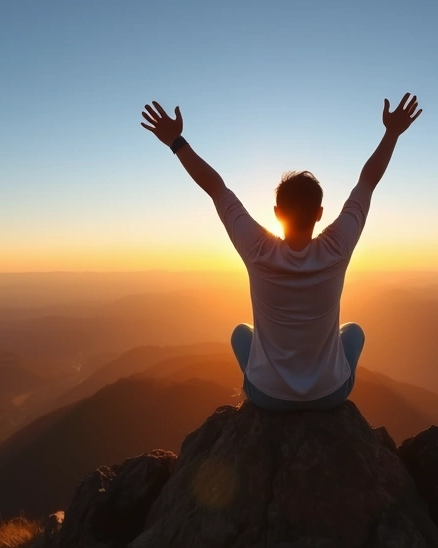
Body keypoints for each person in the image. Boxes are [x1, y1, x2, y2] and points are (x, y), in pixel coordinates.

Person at [140, 93, 422, 411]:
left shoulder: (257, 249)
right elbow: (367, 182)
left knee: (240, 333)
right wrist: (392, 133)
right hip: (330, 394)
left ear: (277, 212)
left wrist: (175, 141)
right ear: (319, 213)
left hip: (267, 396)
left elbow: (216, 188)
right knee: (353, 332)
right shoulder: (338, 247)